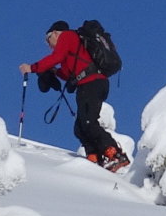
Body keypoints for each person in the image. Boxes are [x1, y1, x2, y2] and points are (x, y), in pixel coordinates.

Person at [22, 21, 128, 170]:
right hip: (89, 84)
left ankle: (115, 154)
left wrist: (32, 68)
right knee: (80, 127)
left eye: (48, 39)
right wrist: (54, 72)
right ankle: (94, 157)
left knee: (88, 122)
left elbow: (56, 57)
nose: (49, 44)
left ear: (55, 33)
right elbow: (67, 73)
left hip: (92, 83)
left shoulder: (67, 36)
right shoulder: (72, 46)